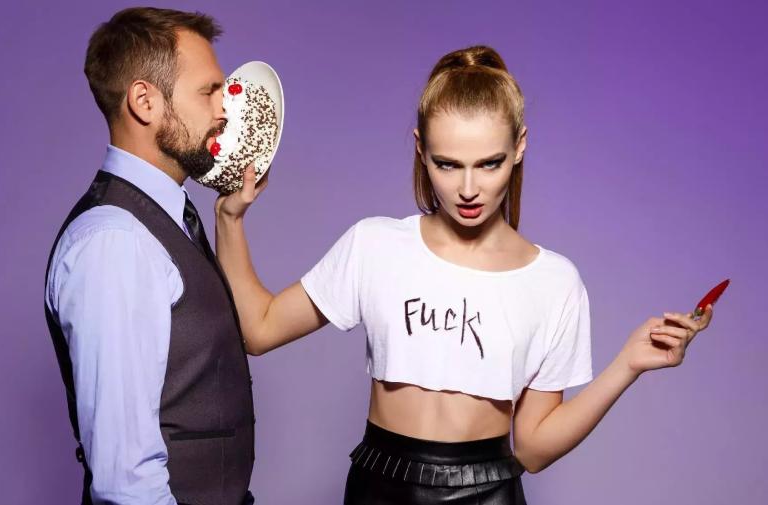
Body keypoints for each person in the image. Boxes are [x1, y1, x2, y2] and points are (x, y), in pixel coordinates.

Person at [214, 45, 714, 504]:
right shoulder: (375, 244)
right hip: (377, 486)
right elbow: (258, 329)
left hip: (488, 492)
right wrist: (229, 219)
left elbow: (533, 449)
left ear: (520, 146)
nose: (469, 188)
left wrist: (627, 365)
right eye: (448, 164)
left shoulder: (554, 282)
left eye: (490, 163)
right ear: (420, 149)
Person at [44, 7, 255, 505]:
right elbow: (126, 481)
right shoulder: (115, 242)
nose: (225, 109)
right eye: (208, 91)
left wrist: (230, 219)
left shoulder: (165, 219)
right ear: (145, 101)